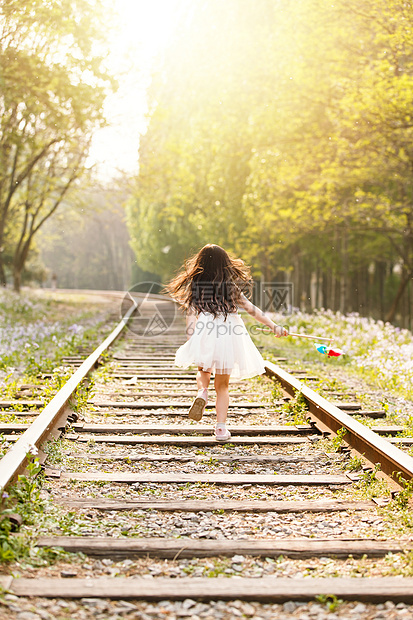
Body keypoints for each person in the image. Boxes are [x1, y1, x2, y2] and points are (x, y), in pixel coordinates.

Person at [165, 244, 288, 442]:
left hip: (205, 331)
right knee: (222, 386)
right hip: (229, 334)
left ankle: (202, 392)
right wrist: (274, 326)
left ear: (200, 264)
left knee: (203, 371)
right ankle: (221, 429)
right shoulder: (231, 287)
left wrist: (192, 339)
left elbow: (190, 316)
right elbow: (250, 308)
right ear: (225, 265)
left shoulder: (196, 287)